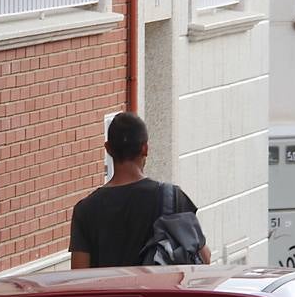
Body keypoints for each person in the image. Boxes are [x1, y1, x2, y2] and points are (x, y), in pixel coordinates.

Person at [69, 112, 211, 268]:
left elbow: (79, 275)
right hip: (157, 291)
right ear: (145, 148)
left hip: (110, 292)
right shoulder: (172, 198)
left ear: (108, 149)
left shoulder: (85, 209)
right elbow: (204, 257)